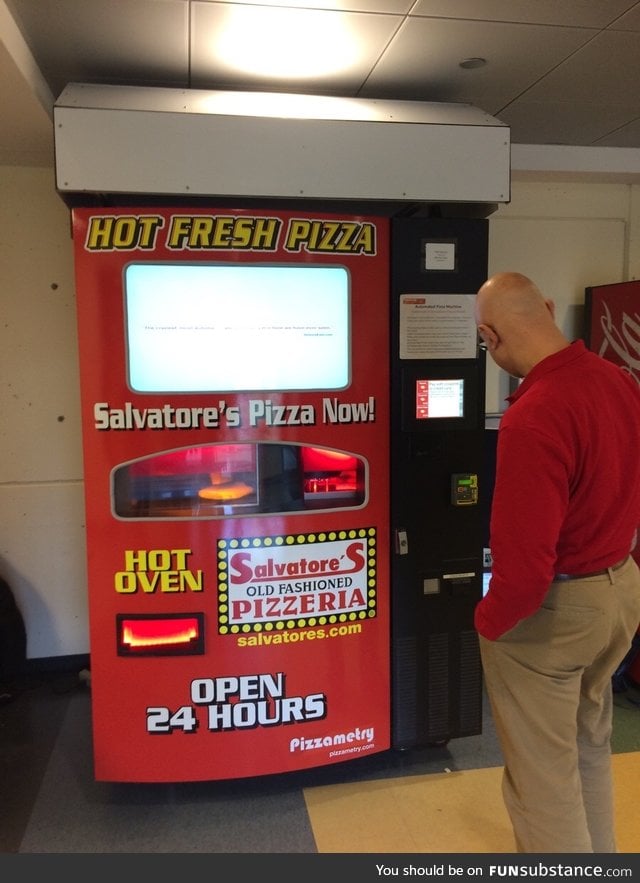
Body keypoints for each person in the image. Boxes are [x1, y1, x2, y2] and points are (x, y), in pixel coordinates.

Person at [475, 271, 640, 853]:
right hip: (620, 592)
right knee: (587, 747)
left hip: (558, 612)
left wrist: (487, 622)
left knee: (541, 780)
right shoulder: (619, 381)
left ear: (490, 337)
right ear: (546, 307)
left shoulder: (534, 414)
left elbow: (523, 570)